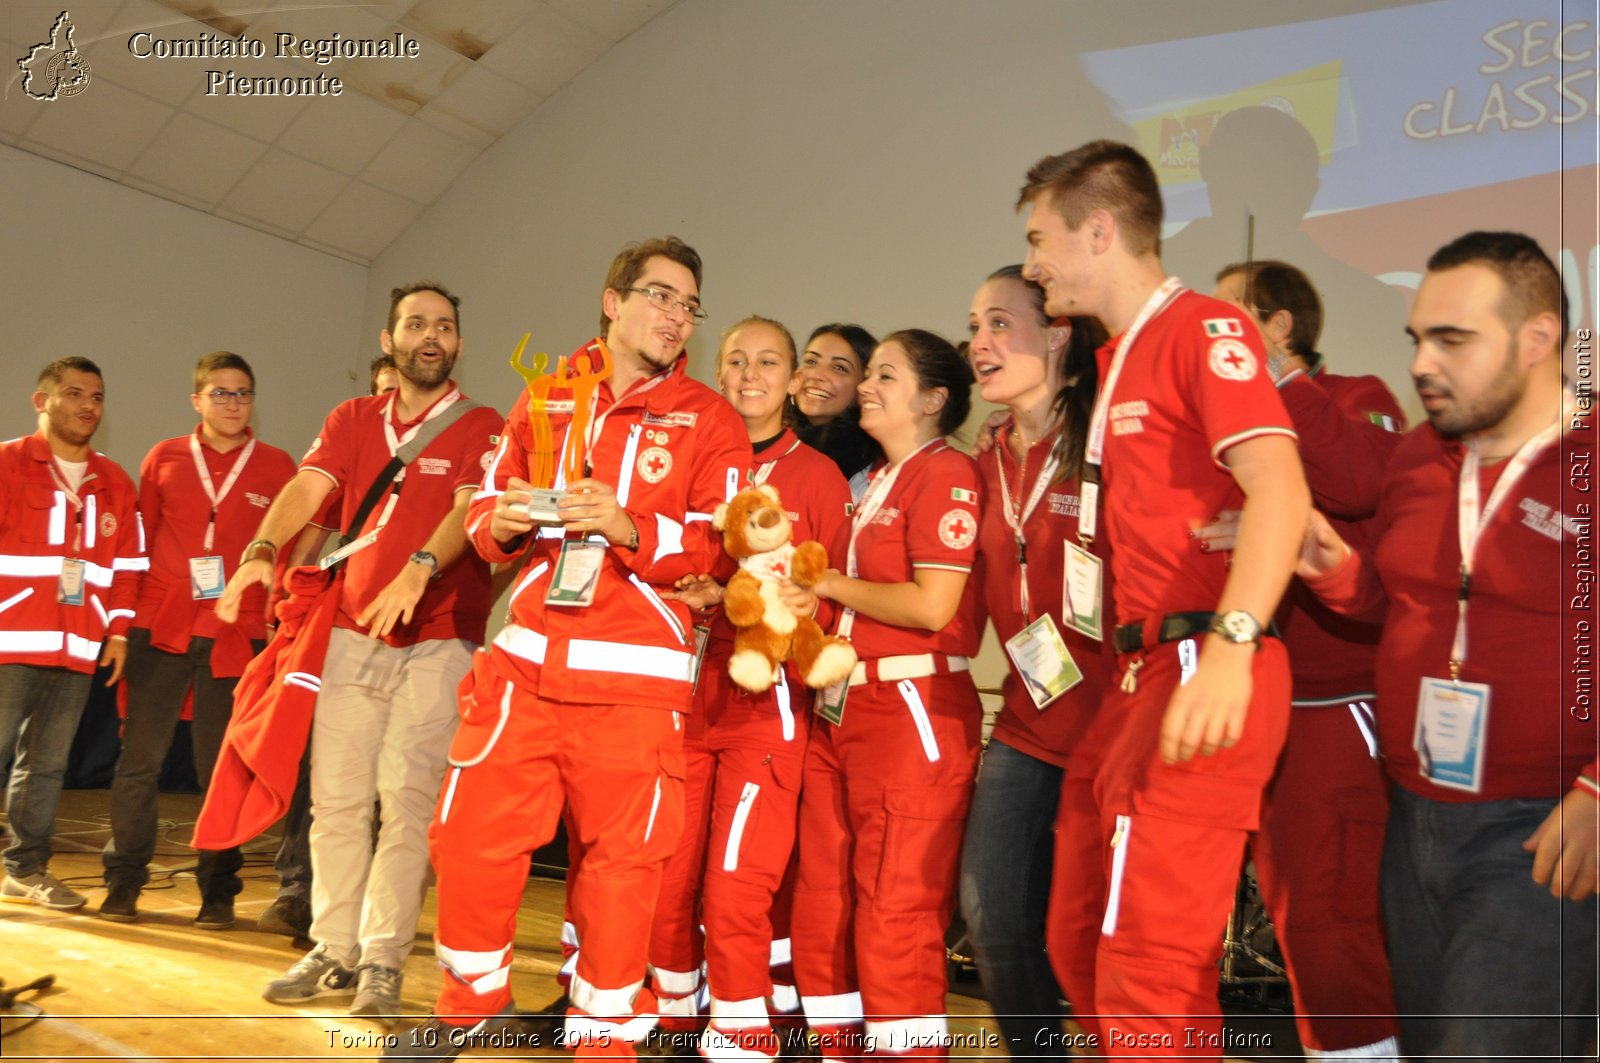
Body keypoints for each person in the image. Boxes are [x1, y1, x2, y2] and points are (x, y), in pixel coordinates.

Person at [394, 237, 751, 1060]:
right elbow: (483, 509)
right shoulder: (548, 394)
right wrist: (505, 523)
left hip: (635, 685)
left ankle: (603, 1044)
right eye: (660, 295)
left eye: (688, 304)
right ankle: (466, 1012)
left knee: (621, 882)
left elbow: (721, 544)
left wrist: (627, 524)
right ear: (611, 299)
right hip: (523, 668)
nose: (675, 316)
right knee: (468, 843)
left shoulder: (710, 417)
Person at [1017, 140, 1310, 1055]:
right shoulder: (1121, 358)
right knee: (1078, 936)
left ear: (1098, 230)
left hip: (1199, 662)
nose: (1032, 264)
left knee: (1146, 961)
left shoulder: (1202, 328)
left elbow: (1281, 487)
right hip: (1134, 681)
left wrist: (1230, 644)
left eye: (1040, 239)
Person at [1297, 231, 1597, 1057]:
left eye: (1452, 340)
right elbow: (1400, 602)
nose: (1423, 362)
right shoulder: (1420, 457)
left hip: (1544, 832)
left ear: (1538, 340)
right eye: (1417, 339)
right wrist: (1330, 569)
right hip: (1416, 817)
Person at [215, 281, 502, 1024]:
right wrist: (260, 547)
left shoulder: (482, 424)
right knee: (336, 799)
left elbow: (471, 511)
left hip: (440, 638)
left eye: (444, 325)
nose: (429, 335)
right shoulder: (351, 417)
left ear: (459, 344)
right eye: (415, 324)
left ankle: (381, 958)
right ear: (389, 340)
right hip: (350, 630)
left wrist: (422, 566)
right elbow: (309, 484)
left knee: (405, 802)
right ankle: (333, 944)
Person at [1207, 260, 1404, 1058]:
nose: (1208, 333)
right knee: (1292, 919)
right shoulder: (1223, 423)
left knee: (1332, 919)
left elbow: (1362, 480)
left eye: (1226, 316)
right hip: (1248, 699)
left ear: (1278, 325)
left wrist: (1280, 383)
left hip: (1339, 706)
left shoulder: (1360, 397)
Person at [646, 316, 852, 1062]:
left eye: (768, 361)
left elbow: (830, 599)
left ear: (794, 380)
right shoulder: (690, 459)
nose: (749, 374)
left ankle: (742, 1040)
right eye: (735, 360)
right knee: (668, 879)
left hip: (769, 708)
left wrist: (799, 605)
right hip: (685, 696)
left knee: (735, 890)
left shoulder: (816, 477)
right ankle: (674, 1024)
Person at [793, 329, 982, 1061]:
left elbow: (933, 607)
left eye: (885, 375)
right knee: (825, 903)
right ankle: (838, 1048)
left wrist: (828, 585)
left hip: (913, 715)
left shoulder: (948, 474)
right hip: (843, 709)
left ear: (934, 400)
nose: (865, 385)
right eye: (868, 373)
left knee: (893, 912)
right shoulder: (875, 480)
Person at [957, 267, 1112, 1056]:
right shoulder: (980, 461)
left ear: (1057, 333)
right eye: (973, 326)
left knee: (1087, 937)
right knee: (990, 917)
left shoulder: (1106, 446)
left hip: (1114, 728)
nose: (979, 342)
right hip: (1025, 723)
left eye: (999, 323)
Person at [97, 352, 298, 929]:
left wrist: (276, 622)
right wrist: (124, 621)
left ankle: (217, 891)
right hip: (161, 627)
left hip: (235, 634)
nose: (232, 403)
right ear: (197, 400)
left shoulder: (278, 466)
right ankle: (124, 881)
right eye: (220, 393)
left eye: (242, 393)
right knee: (139, 763)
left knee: (220, 772)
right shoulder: (164, 457)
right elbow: (141, 545)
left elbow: (282, 553)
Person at [258, 351, 401, 941]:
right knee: (322, 762)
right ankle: (299, 889)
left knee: (389, 778)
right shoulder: (355, 443)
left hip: (410, 630)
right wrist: (285, 608)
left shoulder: (454, 450)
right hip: (339, 620)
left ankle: (366, 906)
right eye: (384, 388)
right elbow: (316, 531)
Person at [0, 358, 144, 911]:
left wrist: (120, 633)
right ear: (42, 401)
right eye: (74, 393)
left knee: (48, 764)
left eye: (98, 396)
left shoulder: (114, 481)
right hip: (11, 642)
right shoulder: (11, 463)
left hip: (79, 647)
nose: (88, 405)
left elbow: (129, 565)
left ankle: (26, 868)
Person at [793, 324, 881, 497]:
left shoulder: (873, 465)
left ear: (864, 385)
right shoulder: (776, 441)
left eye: (839, 367)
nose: (817, 375)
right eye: (811, 362)